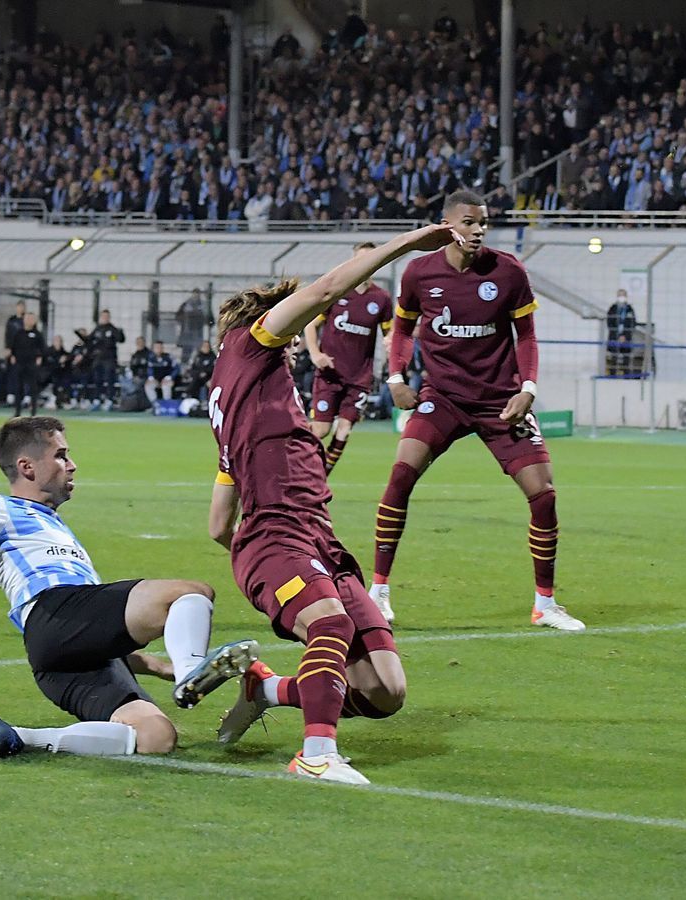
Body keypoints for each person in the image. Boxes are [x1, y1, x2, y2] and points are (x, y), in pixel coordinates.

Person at [206, 219, 454, 784]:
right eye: (292, 337)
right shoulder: (249, 346)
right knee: (329, 624)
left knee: (384, 690)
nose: (296, 345)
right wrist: (405, 246)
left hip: (315, 541)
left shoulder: (244, 398)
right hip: (279, 536)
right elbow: (322, 291)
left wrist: (248, 548)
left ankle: (265, 689)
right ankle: (316, 757)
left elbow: (219, 522)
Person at [0, 416, 260, 759]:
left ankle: (17, 737)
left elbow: (88, 633)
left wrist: (157, 667)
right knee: (190, 594)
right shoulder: (1, 508)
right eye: (61, 455)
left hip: (59, 659)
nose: (72, 465)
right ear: (27, 467)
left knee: (156, 737)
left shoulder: (56, 527)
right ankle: (191, 673)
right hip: (54, 612)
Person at [371, 191, 586, 632]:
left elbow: (526, 337)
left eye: (483, 223)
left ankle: (544, 604)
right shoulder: (418, 271)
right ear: (447, 225)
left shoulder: (508, 271)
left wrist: (528, 388)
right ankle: (378, 593)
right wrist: (395, 378)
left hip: (499, 401)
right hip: (442, 398)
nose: (478, 230)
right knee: (400, 475)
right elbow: (403, 330)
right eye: (469, 222)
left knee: (543, 495)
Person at [302, 243, 393, 474]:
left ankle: (319, 477)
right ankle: (296, 465)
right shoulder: (337, 291)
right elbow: (311, 325)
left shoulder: (381, 299)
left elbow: (390, 333)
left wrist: (392, 343)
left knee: (344, 431)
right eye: (359, 260)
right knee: (321, 430)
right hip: (330, 374)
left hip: (359, 378)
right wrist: (315, 354)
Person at [8, 311, 45, 416]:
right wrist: (13, 356)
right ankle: (17, 411)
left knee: (33, 388)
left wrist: (39, 358)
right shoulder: (18, 333)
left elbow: (42, 349)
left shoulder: (37, 334)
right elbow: (13, 347)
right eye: (27, 318)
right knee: (18, 388)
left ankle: (33, 412)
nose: (29, 321)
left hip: (31, 364)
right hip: (20, 363)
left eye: (31, 319)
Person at [87, 310, 125, 409]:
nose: (105, 318)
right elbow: (88, 340)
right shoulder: (97, 329)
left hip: (109, 359)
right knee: (97, 379)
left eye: (107, 316)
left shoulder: (112, 329)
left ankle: (109, 400)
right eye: (103, 316)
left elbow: (121, 339)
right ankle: (97, 400)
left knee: (109, 379)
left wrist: (121, 332)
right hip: (98, 358)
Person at [605, 289, 638, 375]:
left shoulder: (629, 309)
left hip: (626, 338)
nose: (621, 297)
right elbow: (609, 322)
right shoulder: (613, 308)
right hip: (614, 337)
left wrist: (624, 336)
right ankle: (612, 376)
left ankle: (626, 377)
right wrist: (617, 335)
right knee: (614, 358)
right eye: (620, 295)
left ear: (626, 297)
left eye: (623, 295)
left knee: (626, 359)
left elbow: (632, 323)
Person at [176, 288, 211, 365]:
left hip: (198, 332)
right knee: (186, 352)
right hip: (187, 332)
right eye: (195, 294)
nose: (196, 296)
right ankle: (184, 367)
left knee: (199, 352)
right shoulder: (186, 304)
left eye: (197, 294)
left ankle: (198, 366)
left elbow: (208, 318)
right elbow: (178, 317)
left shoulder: (203, 305)